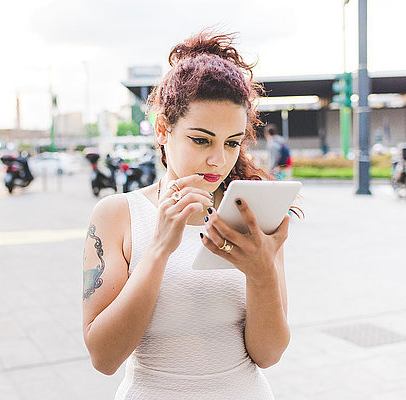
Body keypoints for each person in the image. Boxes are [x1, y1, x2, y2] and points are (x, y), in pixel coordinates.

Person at [82, 31, 292, 399]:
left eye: (231, 142)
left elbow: (268, 354)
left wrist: (261, 274)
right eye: (201, 139)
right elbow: (104, 357)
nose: (218, 160)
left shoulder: (251, 214)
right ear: (163, 130)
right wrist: (160, 247)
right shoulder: (118, 214)